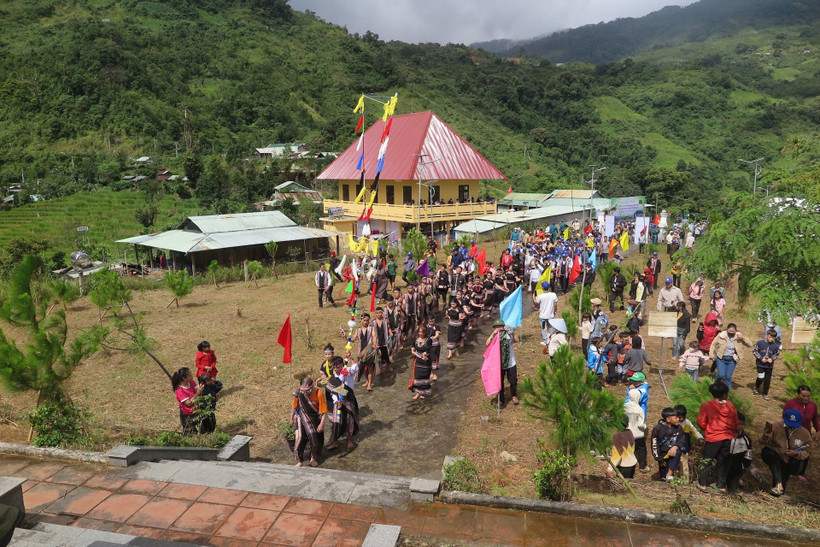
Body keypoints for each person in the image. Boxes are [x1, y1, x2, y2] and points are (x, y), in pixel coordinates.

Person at [696, 381, 738, 493]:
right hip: (727, 437)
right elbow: (735, 422)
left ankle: (702, 484)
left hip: (713, 437)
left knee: (707, 461)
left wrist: (707, 429)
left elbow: (701, 422)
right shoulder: (730, 406)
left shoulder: (707, 406)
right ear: (724, 394)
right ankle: (721, 485)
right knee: (723, 461)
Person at [760, 408, 812, 496]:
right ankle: (778, 483)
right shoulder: (776, 426)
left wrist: (796, 453)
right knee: (770, 453)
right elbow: (761, 441)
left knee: (780, 490)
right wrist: (765, 436)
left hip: (791, 461)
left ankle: (778, 487)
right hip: (776, 455)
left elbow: (808, 449)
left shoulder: (805, 433)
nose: (792, 426)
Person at [783, 385, 820, 482]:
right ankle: (787, 469)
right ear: (798, 395)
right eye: (803, 396)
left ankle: (801, 473)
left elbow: (815, 418)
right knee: (792, 449)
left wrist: (818, 430)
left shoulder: (813, 405)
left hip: (805, 432)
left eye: (808, 396)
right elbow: (784, 417)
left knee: (806, 451)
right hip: (792, 431)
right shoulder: (791, 404)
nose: (806, 398)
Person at [291, 376, 327, 467]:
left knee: (313, 437)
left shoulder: (319, 394)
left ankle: (312, 458)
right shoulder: (299, 393)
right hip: (301, 418)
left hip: (314, 419)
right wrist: (291, 417)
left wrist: (322, 423)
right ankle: (300, 460)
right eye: (303, 391)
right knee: (299, 438)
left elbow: (323, 411)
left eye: (307, 391)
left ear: (311, 387)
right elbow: (294, 406)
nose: (305, 393)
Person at [487, 319, 520, 405]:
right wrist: (493, 334)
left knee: (513, 381)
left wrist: (512, 332)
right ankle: (501, 399)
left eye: (501, 326)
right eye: (497, 327)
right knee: (499, 382)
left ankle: (514, 395)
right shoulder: (495, 337)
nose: (499, 328)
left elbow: (517, 340)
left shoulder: (508, 336)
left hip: (511, 363)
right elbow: (487, 343)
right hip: (499, 364)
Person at [709, 323, 750, 390]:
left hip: (732, 359)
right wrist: (711, 354)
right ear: (727, 329)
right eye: (730, 331)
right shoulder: (721, 336)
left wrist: (743, 338)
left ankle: (728, 392)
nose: (731, 333)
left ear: (736, 331)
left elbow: (749, 345)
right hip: (721, 358)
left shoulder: (738, 337)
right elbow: (713, 344)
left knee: (728, 377)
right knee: (721, 375)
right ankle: (715, 383)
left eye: (733, 331)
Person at [325, 373, 360, 451]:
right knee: (336, 422)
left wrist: (342, 395)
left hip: (348, 401)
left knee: (350, 421)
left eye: (338, 365)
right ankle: (334, 441)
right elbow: (332, 390)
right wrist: (336, 400)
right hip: (337, 405)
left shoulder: (348, 373)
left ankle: (349, 439)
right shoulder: (333, 378)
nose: (336, 367)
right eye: (334, 366)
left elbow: (347, 391)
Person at [651, 408, 684, 482]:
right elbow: (654, 445)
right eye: (676, 417)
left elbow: (682, 439)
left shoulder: (679, 428)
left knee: (676, 456)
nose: (678, 419)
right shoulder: (657, 429)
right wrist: (659, 459)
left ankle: (670, 474)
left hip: (674, 454)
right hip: (663, 454)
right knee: (663, 476)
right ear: (668, 419)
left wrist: (675, 447)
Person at [626, 377, 650, 473]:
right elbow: (641, 424)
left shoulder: (625, 406)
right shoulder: (639, 409)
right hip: (638, 433)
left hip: (627, 432)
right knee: (641, 449)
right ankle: (642, 466)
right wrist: (644, 427)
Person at [676, 404, 703, 483]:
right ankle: (674, 480)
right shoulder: (673, 423)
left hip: (684, 448)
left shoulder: (687, 423)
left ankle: (685, 482)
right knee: (674, 466)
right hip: (674, 448)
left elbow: (694, 431)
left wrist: (699, 438)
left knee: (684, 466)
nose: (680, 419)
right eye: (678, 417)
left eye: (682, 417)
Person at [172, 367, 203, 434]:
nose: (192, 375)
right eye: (190, 375)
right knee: (190, 432)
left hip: (196, 410)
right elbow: (188, 403)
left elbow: (197, 390)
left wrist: (200, 389)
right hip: (188, 414)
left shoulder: (191, 382)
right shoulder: (180, 390)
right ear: (184, 378)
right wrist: (197, 393)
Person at [727, 412, 753, 492]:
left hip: (737, 468)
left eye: (743, 424)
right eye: (739, 424)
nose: (740, 426)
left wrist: (744, 467)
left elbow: (748, 456)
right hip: (724, 465)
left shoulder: (746, 439)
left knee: (732, 489)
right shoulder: (726, 435)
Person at [753, 329, 781, 400]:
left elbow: (777, 354)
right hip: (760, 364)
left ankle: (765, 393)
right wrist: (760, 358)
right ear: (767, 335)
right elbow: (755, 351)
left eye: (773, 338)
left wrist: (772, 359)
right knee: (761, 377)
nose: (771, 339)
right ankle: (756, 386)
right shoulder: (760, 343)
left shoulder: (775, 346)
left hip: (769, 366)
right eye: (770, 337)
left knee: (767, 380)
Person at [409, 325, 433, 400]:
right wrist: (412, 350)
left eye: (422, 332)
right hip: (418, 361)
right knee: (417, 376)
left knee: (424, 377)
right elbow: (413, 346)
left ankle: (423, 393)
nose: (420, 334)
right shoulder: (416, 339)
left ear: (425, 332)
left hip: (426, 361)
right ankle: (418, 393)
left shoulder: (428, 340)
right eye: (419, 332)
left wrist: (424, 354)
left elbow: (428, 349)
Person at [354, 313, 377, 391]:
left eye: (367, 320)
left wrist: (374, 344)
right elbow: (353, 339)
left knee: (370, 368)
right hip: (361, 352)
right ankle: (367, 380)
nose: (366, 322)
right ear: (361, 320)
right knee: (363, 368)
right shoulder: (358, 329)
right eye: (364, 320)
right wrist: (346, 337)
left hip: (369, 351)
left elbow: (374, 336)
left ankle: (369, 385)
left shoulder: (371, 328)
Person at [533, 281, 558, 346]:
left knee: (543, 328)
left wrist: (533, 296)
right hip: (550, 315)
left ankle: (545, 340)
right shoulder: (553, 295)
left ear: (543, 288)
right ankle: (551, 339)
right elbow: (555, 304)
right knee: (550, 327)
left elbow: (536, 302)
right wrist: (555, 311)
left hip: (543, 315)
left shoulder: (540, 296)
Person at [426, 316, 441, 382]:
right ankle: (430, 373)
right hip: (427, 345)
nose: (431, 323)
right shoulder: (425, 327)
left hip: (435, 345)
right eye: (430, 321)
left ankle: (435, 374)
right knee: (428, 359)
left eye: (432, 321)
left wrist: (433, 337)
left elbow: (437, 334)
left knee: (434, 359)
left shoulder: (437, 326)